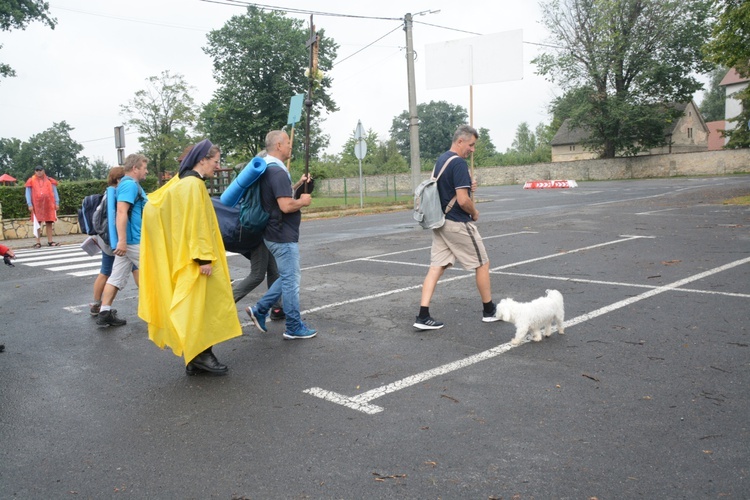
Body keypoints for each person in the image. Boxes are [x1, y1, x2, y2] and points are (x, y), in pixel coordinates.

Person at [138, 139, 242, 375]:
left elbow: (160, 211)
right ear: (202, 159)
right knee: (204, 308)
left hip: (187, 258)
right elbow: (197, 224)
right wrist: (203, 258)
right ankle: (202, 356)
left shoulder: (181, 183)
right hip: (199, 260)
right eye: (215, 161)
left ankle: (196, 356)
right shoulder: (193, 185)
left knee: (196, 307)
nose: (217, 166)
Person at [414, 124, 501, 330]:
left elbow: (448, 188)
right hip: (457, 223)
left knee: (436, 267)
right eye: (471, 145)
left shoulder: (442, 160)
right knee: (482, 263)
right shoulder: (459, 164)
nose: (472, 149)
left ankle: (422, 315)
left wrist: (468, 186)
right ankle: (489, 310)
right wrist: (474, 212)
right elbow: (463, 201)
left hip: (440, 222)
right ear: (460, 141)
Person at [246, 129, 315, 340]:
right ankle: (293, 326)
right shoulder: (276, 171)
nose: (290, 146)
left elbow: (277, 196)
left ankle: (260, 309)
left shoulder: (268, 166)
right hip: (282, 234)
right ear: (278, 145)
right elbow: (285, 206)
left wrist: (298, 184)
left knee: (288, 276)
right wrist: (303, 201)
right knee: (291, 280)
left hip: (274, 232)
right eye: (287, 142)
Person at [96, 154, 149, 327]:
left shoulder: (127, 185)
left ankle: (104, 311)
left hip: (128, 241)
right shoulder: (129, 185)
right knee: (154, 272)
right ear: (135, 168)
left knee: (116, 277)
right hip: (133, 241)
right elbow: (121, 212)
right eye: (144, 168)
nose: (146, 171)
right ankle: (160, 313)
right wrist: (123, 242)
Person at [89, 167, 138, 316]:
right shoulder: (116, 194)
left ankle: (98, 305)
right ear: (118, 180)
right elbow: (120, 215)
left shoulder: (107, 193)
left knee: (106, 271)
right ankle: (150, 304)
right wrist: (120, 240)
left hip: (108, 239)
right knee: (135, 268)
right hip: (115, 240)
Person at [25, 166, 60, 248]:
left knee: (49, 222)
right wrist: (29, 204)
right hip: (37, 205)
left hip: (48, 204)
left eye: (40, 170)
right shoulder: (31, 181)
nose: (39, 172)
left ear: (43, 171)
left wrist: (57, 202)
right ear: (35, 171)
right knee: (37, 223)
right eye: (37, 170)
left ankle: (50, 241)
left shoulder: (50, 180)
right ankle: (38, 242)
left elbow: (55, 192)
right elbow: (27, 193)